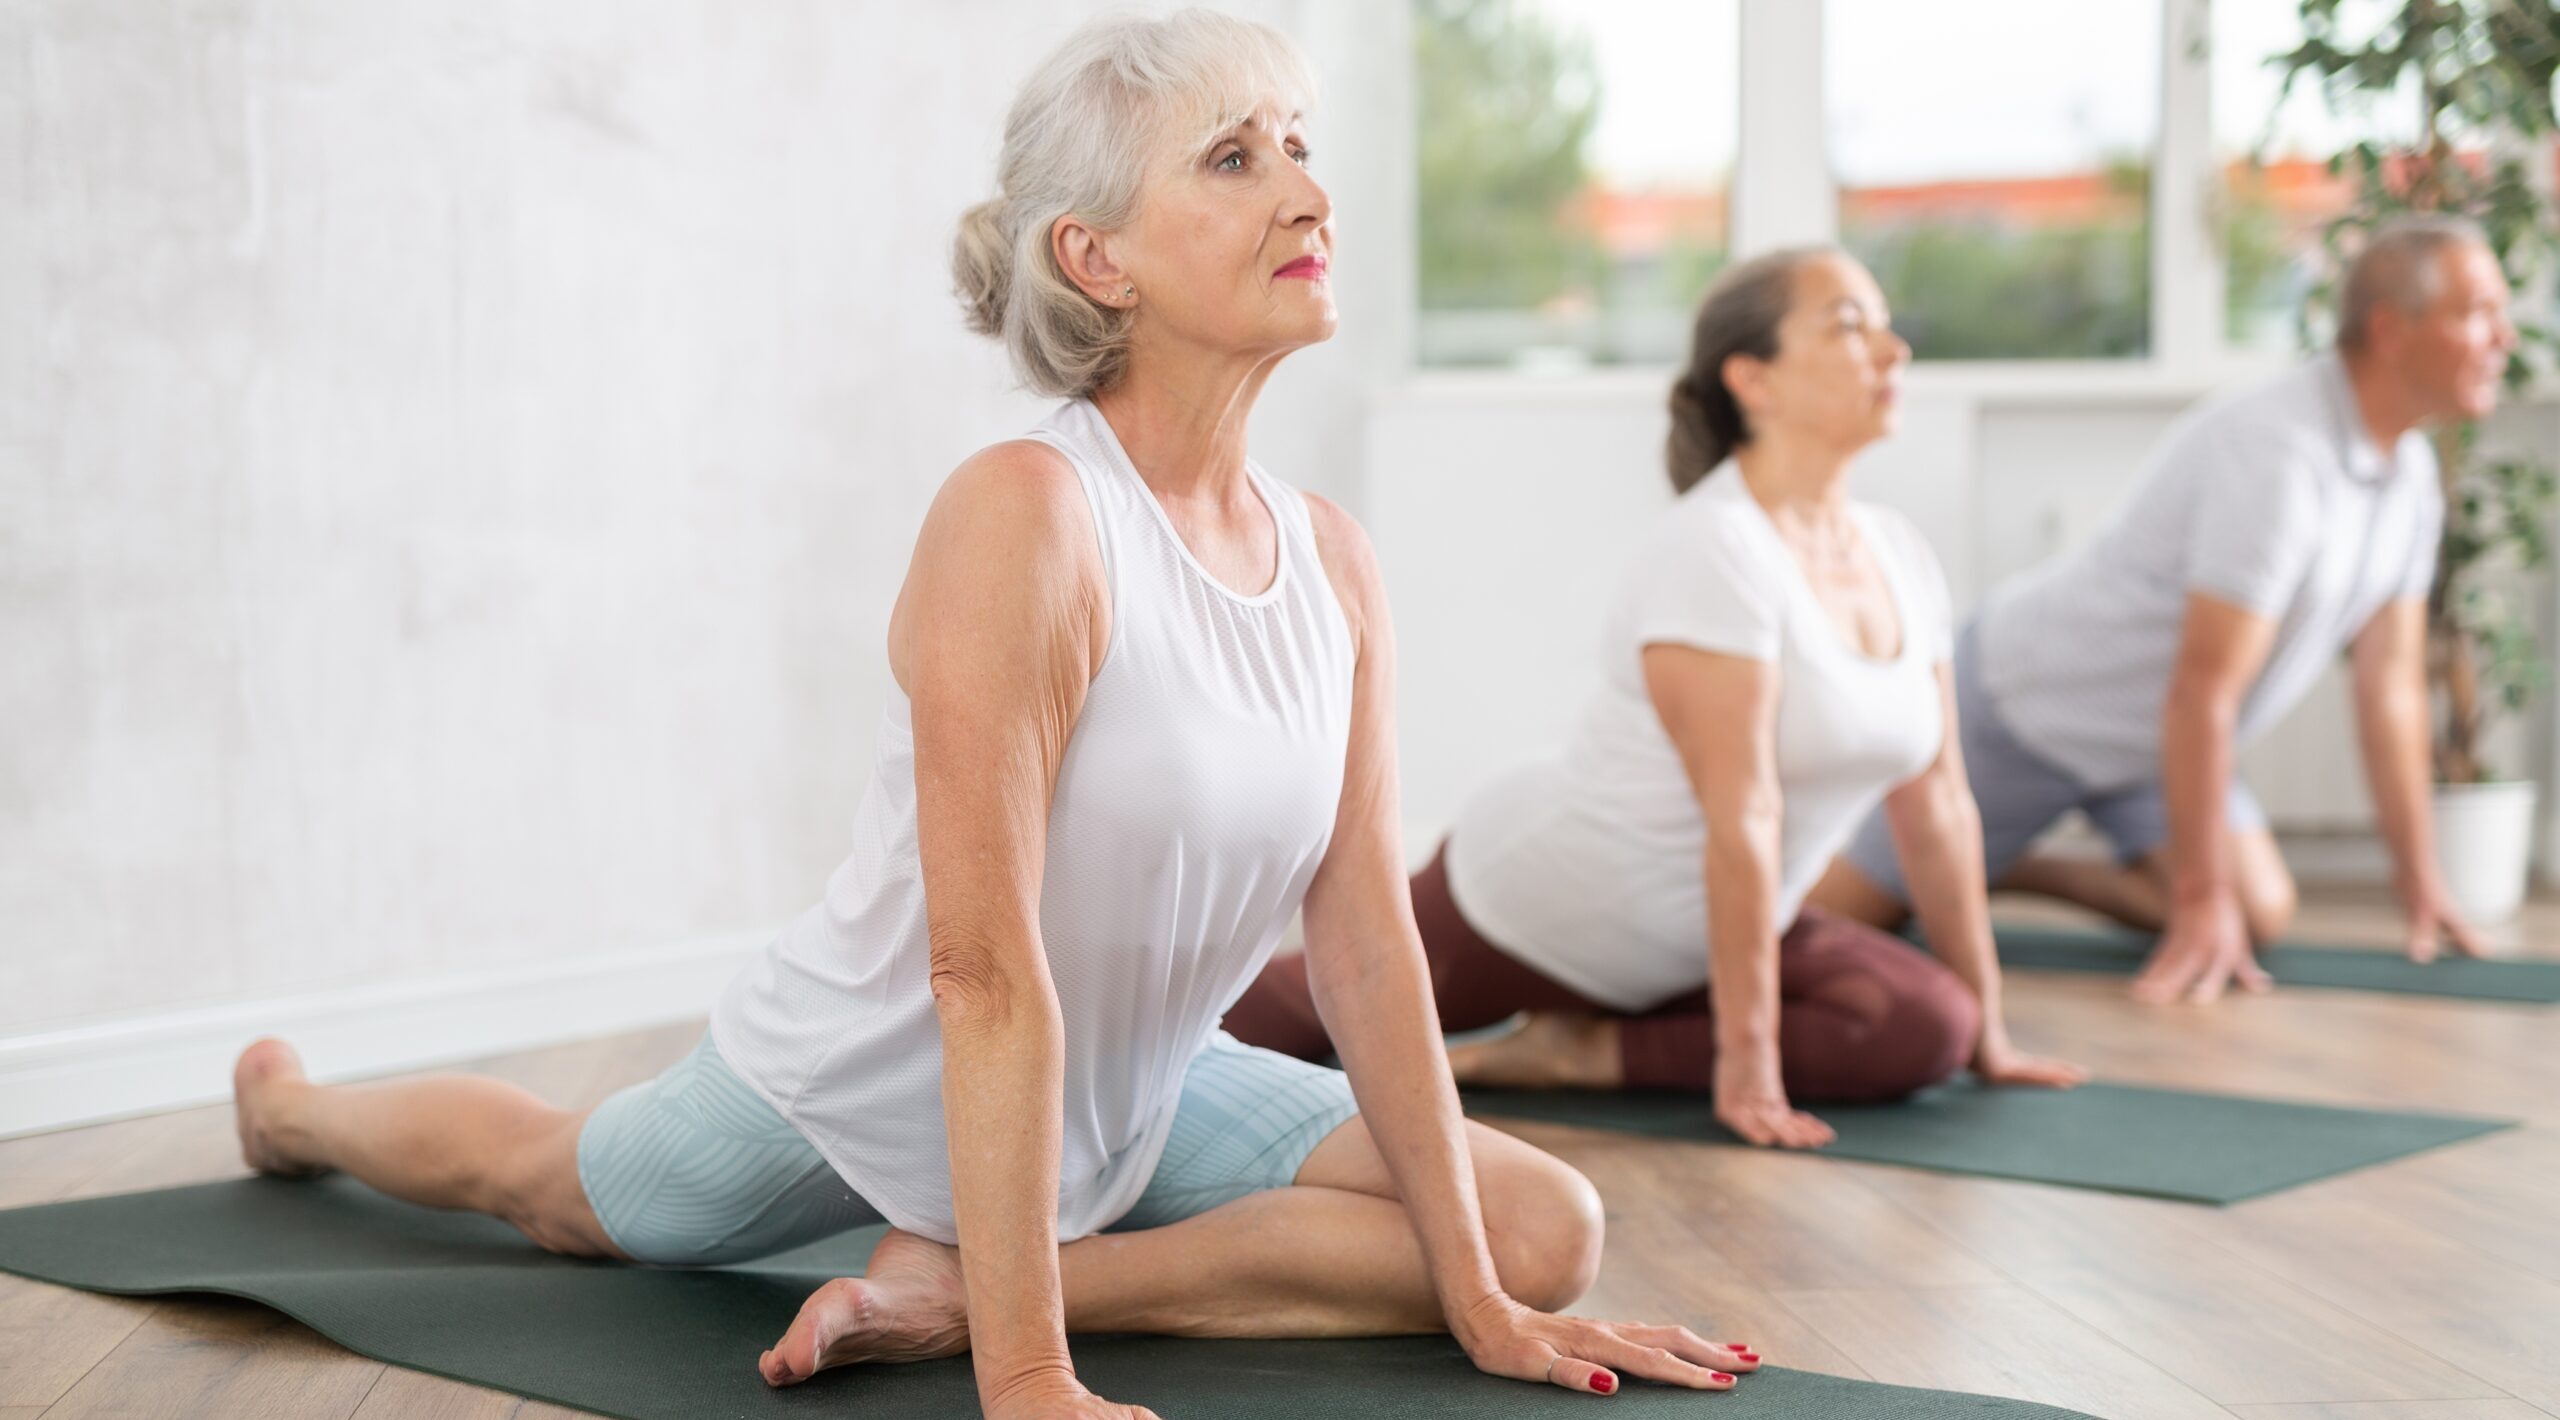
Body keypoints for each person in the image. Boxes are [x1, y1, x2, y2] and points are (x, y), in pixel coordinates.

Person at [225, 14, 1760, 1417]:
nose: (1308, 194)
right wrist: (1028, 1380)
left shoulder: (1334, 562)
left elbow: (1365, 939)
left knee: (1545, 1230)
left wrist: (1484, 1306)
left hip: (1148, 1086)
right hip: (880, 1073)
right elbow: (979, 974)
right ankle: (297, 1117)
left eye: (1297, 145)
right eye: (1234, 160)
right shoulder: (1027, 517)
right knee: (560, 1190)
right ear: (1098, 257)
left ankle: (954, 1288)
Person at [1226, 248, 2083, 1153]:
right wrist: (1747, 1062)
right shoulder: (1716, 547)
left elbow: (1939, 807)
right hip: (1555, 903)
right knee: (1274, 1016)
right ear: (1752, 379)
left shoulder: (1900, 553)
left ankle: (1581, 1053)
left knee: (1927, 1024)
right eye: (1848, 326)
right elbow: (1743, 817)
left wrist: (1990, 1031)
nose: (1893, 350)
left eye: (1885, 325)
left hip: (1722, 935)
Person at [1816, 216, 2513, 1005]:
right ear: (2389, 329)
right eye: (2479, 313)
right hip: (2027, 708)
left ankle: (1999, 864)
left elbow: (2390, 687)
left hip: (2153, 746)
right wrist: (2197, 900)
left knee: (2260, 912)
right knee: (1833, 922)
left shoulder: (2409, 474)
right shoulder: (2278, 453)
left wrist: (2421, 881)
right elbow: (2202, 689)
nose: (2505, 337)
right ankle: (1951, 855)